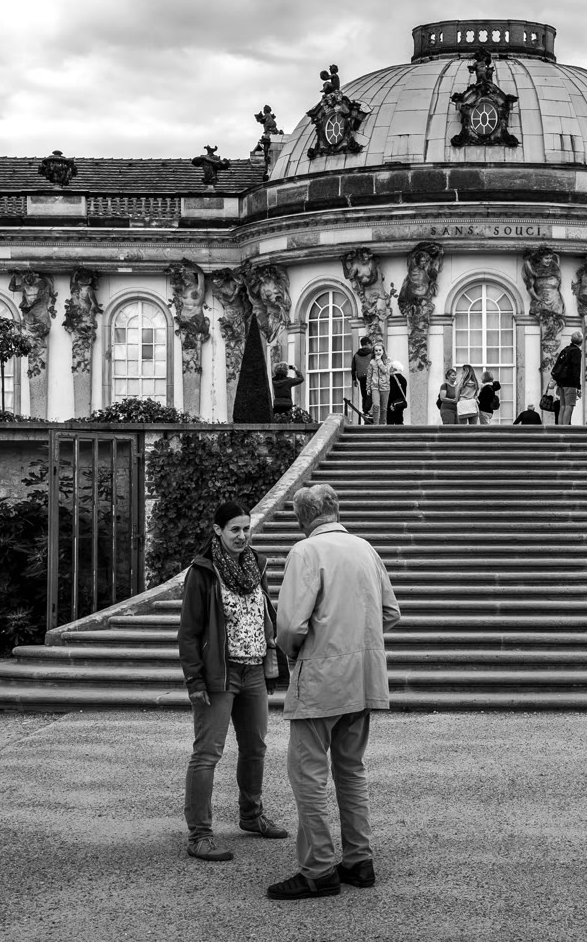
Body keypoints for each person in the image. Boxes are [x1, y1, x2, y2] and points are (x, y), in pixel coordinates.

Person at [267, 483, 401, 900]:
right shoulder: (365, 548)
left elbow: (290, 626)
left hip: (322, 676)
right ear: (336, 510)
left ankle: (319, 867)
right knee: (351, 769)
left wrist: (294, 653)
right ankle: (359, 860)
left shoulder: (305, 551)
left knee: (307, 773)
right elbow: (390, 612)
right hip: (364, 674)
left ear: (302, 519)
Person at [177, 500, 291, 862]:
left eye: (246, 528)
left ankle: (251, 815)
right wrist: (195, 680)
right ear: (218, 530)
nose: (242, 536)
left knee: (255, 747)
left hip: (254, 670)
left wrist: (274, 661)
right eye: (235, 529)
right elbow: (188, 632)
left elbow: (264, 615)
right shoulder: (202, 571)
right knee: (207, 753)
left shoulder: (256, 565)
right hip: (219, 674)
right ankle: (200, 834)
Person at [550, 335, 583, 425]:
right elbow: (576, 369)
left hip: (561, 382)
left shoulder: (565, 349)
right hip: (570, 382)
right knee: (569, 406)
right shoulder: (576, 351)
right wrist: (578, 386)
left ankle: (560, 427)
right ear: (581, 342)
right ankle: (565, 428)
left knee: (562, 406)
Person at [350, 338, 374, 415]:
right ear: (368, 343)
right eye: (371, 344)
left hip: (361, 377)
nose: (371, 346)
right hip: (371, 376)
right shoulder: (371, 354)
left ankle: (365, 410)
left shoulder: (356, 355)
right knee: (371, 394)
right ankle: (370, 410)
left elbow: (353, 368)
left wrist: (354, 379)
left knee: (364, 395)